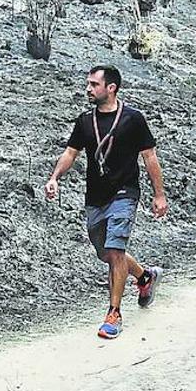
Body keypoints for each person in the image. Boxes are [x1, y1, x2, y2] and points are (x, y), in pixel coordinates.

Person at [45, 65, 168, 340]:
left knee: (115, 250)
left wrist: (159, 194)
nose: (88, 89)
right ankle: (145, 277)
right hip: (95, 196)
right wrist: (55, 177)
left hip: (125, 193)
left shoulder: (133, 119)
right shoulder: (85, 121)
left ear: (111, 88)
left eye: (93, 84)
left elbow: (150, 157)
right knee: (107, 254)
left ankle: (114, 313)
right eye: (88, 84)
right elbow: (70, 152)